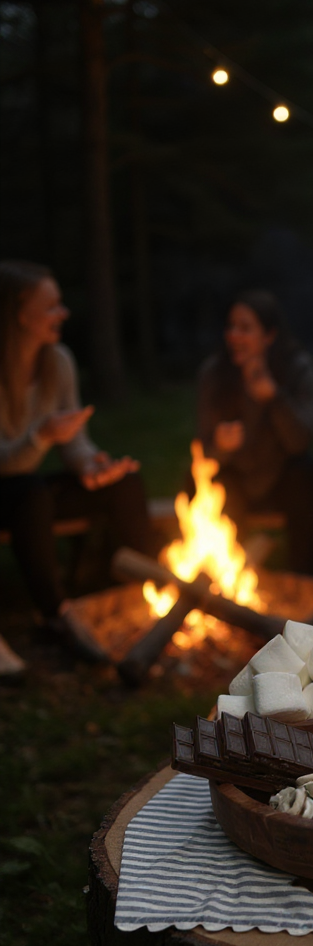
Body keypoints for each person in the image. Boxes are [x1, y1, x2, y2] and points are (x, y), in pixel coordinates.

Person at [0, 260, 151, 660]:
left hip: (30, 490)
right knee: (30, 492)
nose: (63, 313)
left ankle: (147, 591)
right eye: (52, 306)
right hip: (8, 494)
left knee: (126, 483)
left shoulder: (58, 361)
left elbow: (74, 442)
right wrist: (40, 436)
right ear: (18, 313)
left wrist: (91, 467)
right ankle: (56, 615)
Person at [197, 290, 313, 575]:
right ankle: (225, 579)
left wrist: (275, 399)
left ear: (269, 336)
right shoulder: (215, 373)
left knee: (307, 474)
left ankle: (303, 578)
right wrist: (220, 447)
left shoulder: (295, 369)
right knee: (214, 484)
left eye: (245, 328)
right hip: (236, 479)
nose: (234, 336)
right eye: (231, 327)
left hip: (282, 478)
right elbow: (201, 456)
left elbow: (301, 442)